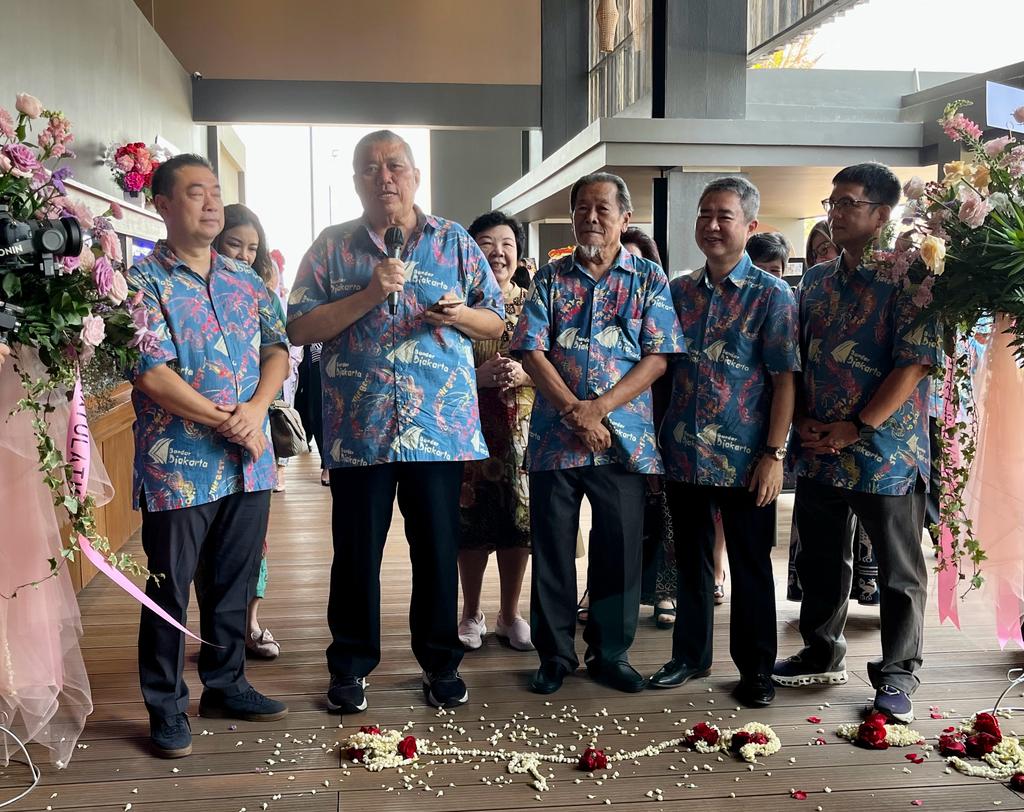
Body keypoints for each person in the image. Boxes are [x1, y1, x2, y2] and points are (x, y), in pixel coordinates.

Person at [287, 130, 504, 713]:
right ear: (355, 180)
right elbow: (299, 328)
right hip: (360, 432)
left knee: (437, 550)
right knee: (356, 553)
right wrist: (366, 294)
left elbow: (497, 322)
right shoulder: (331, 248)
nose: (383, 176)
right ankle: (351, 667)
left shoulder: (454, 241)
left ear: (414, 174)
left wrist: (460, 316)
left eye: (394, 165)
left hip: (438, 429)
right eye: (369, 168)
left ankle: (440, 664)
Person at [127, 154, 290, 759]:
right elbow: (150, 372)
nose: (212, 202)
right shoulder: (143, 283)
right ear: (163, 205)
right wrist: (230, 419)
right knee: (169, 589)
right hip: (180, 468)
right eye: (196, 192)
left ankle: (225, 684)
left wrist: (258, 408)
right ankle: (164, 705)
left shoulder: (247, 280)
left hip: (248, 461)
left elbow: (278, 348)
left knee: (233, 583)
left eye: (216, 191)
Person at [773, 162, 940, 725]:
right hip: (819, 449)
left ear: (881, 214)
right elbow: (794, 360)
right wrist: (800, 424)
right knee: (822, 558)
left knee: (898, 571)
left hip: (885, 454)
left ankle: (898, 675)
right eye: (832, 202)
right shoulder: (816, 280)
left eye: (847, 203)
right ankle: (822, 650)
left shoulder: (912, 278)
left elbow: (915, 365)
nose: (835, 213)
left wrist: (857, 426)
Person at [510, 172, 685, 696]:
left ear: (625, 219)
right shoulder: (548, 277)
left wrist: (600, 410)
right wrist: (573, 411)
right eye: (582, 207)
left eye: (602, 208)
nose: (591, 217)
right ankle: (555, 656)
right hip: (552, 439)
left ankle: (610, 654)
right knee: (554, 550)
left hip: (623, 442)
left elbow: (659, 358)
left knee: (620, 550)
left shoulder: (649, 278)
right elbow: (530, 350)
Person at [651, 177, 799, 708]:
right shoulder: (677, 291)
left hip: (747, 460)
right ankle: (689, 656)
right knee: (690, 561)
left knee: (751, 564)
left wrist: (774, 456)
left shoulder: (772, 295)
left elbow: (785, 380)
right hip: (684, 453)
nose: (712, 226)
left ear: (750, 226)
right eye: (705, 214)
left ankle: (756, 669)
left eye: (725, 216)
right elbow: (662, 371)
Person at [213, 203, 297, 660]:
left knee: (253, 543)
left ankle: (249, 624)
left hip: (254, 438)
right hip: (199, 443)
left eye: (251, 247)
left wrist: (255, 409)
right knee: (204, 557)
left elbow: (279, 350)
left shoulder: (259, 291)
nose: (244, 255)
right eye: (233, 244)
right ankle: (217, 638)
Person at [457, 211, 535, 652]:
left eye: (506, 243)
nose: (497, 252)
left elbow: (557, 362)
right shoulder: (459, 306)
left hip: (525, 431)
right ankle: (471, 612)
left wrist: (526, 375)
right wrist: (475, 376)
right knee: (470, 522)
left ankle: (510, 613)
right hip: (469, 430)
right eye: (485, 243)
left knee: (518, 522)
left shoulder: (535, 301)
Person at [620, 227, 678, 630]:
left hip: (658, 414)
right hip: (612, 419)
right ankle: (608, 592)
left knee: (665, 510)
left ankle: (665, 590)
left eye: (636, 259)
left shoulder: (662, 297)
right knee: (619, 516)